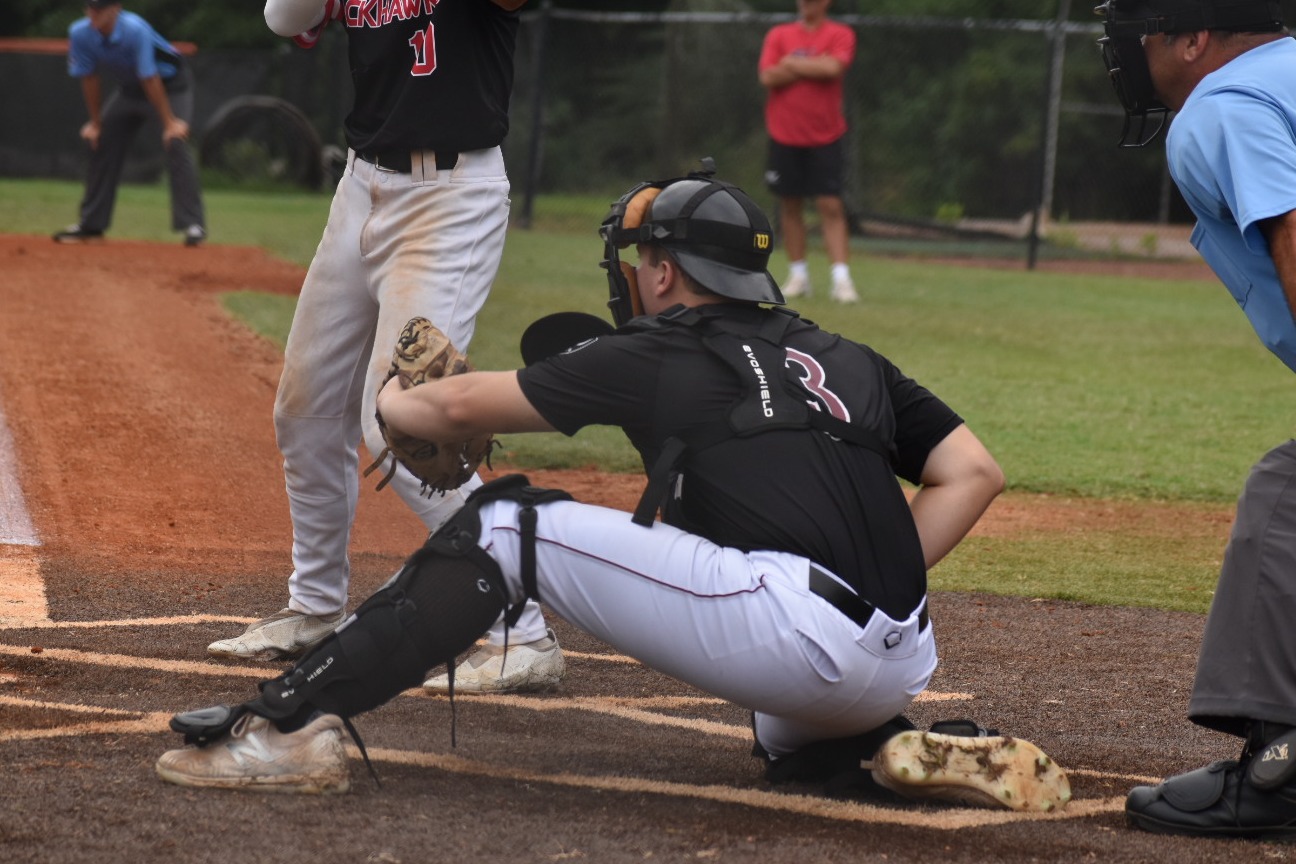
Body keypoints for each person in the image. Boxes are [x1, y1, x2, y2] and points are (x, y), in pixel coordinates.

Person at [153, 169, 1072, 814]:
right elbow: (974, 473)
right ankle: (881, 748)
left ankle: (283, 730)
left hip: (798, 640)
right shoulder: (844, 354)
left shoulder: (664, 346)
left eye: (640, 258)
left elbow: (458, 406)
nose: (631, 273)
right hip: (895, 655)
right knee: (789, 729)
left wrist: (390, 399)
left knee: (508, 526)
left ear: (666, 272)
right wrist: (867, 584)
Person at [205, 0, 566, 696]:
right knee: (305, 413)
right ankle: (315, 607)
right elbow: (284, 18)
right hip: (360, 188)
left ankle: (524, 633)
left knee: (402, 424)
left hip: (450, 199)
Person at [1096, 0, 1296, 839]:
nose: (1131, 54)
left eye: (1144, 35)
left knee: (1284, 500)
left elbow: (1292, 224)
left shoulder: (1222, 104)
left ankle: (1279, 771)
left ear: (1193, 38)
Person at [53, 0, 206, 247]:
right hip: (130, 90)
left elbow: (150, 76)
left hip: (170, 85)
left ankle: (192, 224)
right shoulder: (80, 32)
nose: (93, 13)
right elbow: (89, 77)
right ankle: (91, 225)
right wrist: (96, 123)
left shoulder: (135, 29)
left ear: (115, 9)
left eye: (100, 8)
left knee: (175, 141)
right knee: (101, 140)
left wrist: (169, 123)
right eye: (90, 8)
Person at [757, 0, 858, 304]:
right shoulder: (779, 34)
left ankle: (841, 280)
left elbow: (833, 68)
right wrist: (813, 65)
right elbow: (768, 77)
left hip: (826, 136)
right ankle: (798, 275)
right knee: (790, 205)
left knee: (830, 205)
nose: (805, 3)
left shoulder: (840, 33)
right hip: (784, 134)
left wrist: (790, 63)